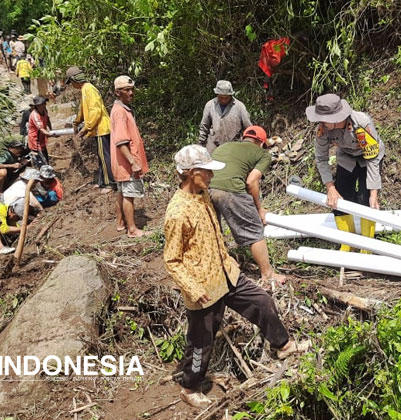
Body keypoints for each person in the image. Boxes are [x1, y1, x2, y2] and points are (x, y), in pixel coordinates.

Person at [164, 145, 309, 408]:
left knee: (261, 301)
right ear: (192, 173)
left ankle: (283, 345)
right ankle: (190, 386)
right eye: (206, 172)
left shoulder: (203, 194)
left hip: (226, 273)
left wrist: (228, 260)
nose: (211, 177)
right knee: (201, 340)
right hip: (203, 287)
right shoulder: (177, 212)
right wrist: (193, 289)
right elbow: (172, 259)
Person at [306, 93, 385, 251]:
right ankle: (347, 242)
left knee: (365, 199)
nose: (320, 122)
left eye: (324, 119)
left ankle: (366, 245)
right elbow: (321, 159)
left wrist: (373, 194)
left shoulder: (361, 122)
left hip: (368, 158)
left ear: (335, 119)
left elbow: (372, 158)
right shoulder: (322, 129)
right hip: (346, 158)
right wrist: (330, 188)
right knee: (339, 199)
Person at [209, 126, 286, 285]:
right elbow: (251, 181)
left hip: (206, 188)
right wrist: (259, 209)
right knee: (254, 231)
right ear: (261, 143)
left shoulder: (223, 147)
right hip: (231, 190)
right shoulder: (263, 154)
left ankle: (221, 267)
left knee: (214, 230)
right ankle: (268, 274)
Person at [66, 66, 115, 193]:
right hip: (97, 128)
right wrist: (76, 122)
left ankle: (110, 183)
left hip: (101, 128)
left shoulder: (89, 89)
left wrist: (86, 128)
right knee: (101, 156)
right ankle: (102, 181)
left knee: (105, 157)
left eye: (71, 82)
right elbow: (83, 109)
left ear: (75, 80)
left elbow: (95, 111)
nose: (71, 85)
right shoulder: (85, 90)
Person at [110, 75, 149, 237]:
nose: (131, 93)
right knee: (129, 194)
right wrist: (133, 162)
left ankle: (120, 223)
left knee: (121, 192)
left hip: (120, 163)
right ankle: (132, 230)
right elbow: (121, 141)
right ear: (118, 93)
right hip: (126, 163)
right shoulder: (120, 112)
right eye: (127, 90)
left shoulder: (121, 109)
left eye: (132, 89)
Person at [198, 80, 252, 153]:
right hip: (213, 145)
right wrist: (200, 143)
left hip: (233, 145)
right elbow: (204, 126)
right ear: (217, 95)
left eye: (226, 97)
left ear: (231, 95)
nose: (223, 100)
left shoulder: (239, 107)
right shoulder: (210, 105)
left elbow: (248, 127)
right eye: (221, 97)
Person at [28, 96, 55, 166]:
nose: (44, 105)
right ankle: (43, 173)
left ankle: (47, 172)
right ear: (37, 106)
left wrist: (51, 130)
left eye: (44, 103)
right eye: (42, 104)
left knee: (45, 157)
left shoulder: (44, 110)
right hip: (35, 140)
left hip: (42, 138)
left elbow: (47, 119)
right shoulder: (35, 115)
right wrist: (51, 134)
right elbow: (41, 129)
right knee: (41, 161)